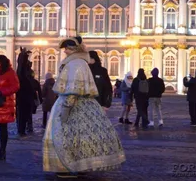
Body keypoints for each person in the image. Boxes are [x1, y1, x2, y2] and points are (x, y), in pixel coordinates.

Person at [43, 36, 125, 178]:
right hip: (80, 104)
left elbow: (74, 88)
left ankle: (66, 166)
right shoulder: (79, 62)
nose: (65, 51)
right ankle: (80, 165)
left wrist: (66, 108)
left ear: (73, 49)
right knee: (81, 136)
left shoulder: (75, 64)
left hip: (72, 104)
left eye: (67, 48)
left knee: (66, 135)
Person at [16, 48, 35, 137]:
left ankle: (23, 129)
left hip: (26, 96)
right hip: (24, 96)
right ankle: (21, 130)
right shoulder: (23, 73)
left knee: (25, 114)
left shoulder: (25, 72)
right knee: (23, 114)